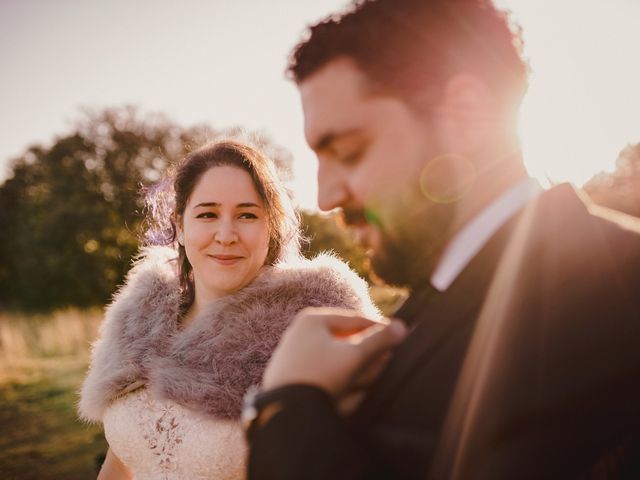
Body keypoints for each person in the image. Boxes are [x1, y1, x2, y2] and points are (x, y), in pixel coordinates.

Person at [244, 1, 640, 479]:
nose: (326, 196)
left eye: (349, 151)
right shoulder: (435, 301)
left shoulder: (619, 292)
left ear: (465, 115)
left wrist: (288, 408)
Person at [78, 138, 380, 479]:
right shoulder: (135, 326)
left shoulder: (315, 327)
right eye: (207, 214)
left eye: (247, 215)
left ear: (271, 228)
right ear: (179, 225)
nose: (226, 234)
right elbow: (119, 466)